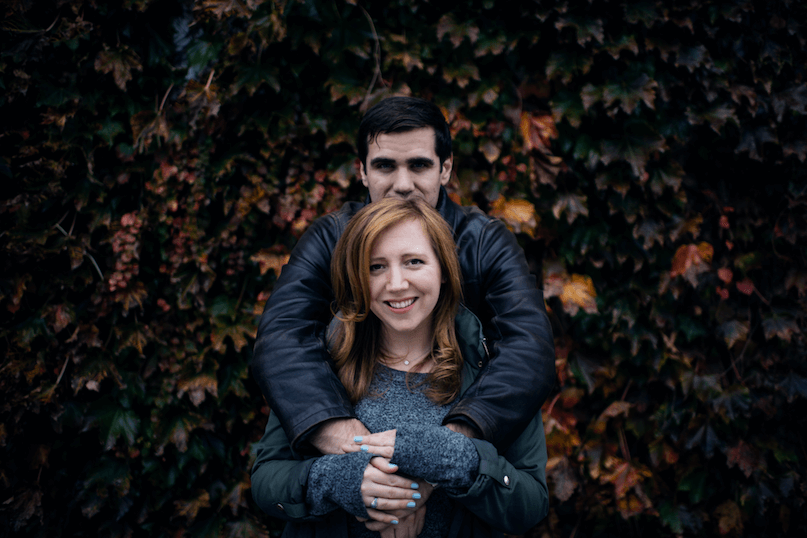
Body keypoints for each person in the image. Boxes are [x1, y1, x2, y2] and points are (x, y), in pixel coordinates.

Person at [252, 96, 555, 530]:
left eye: (418, 165)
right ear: (361, 170)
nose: (402, 184)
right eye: (384, 167)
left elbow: (530, 349)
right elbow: (282, 340)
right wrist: (360, 456)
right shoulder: (331, 239)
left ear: (444, 168)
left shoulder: (483, 242)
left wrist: (441, 454)